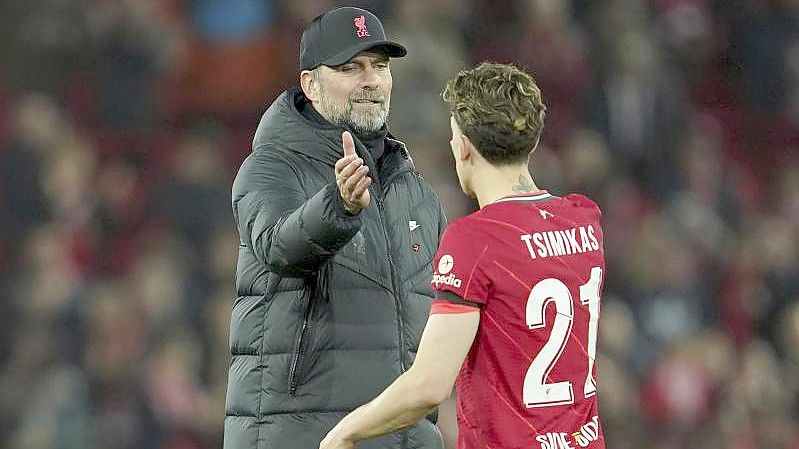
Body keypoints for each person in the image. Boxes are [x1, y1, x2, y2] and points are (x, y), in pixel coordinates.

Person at [320, 62, 607, 449]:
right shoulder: (583, 220)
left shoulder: (476, 239)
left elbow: (429, 387)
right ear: (532, 142)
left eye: (454, 135)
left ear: (464, 146)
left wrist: (345, 432)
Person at [226, 6, 448, 449]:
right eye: (350, 68)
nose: (370, 80)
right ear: (310, 84)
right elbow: (280, 248)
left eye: (379, 66)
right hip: (299, 431)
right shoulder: (270, 166)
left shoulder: (415, 189)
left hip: (401, 435)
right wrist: (339, 205)